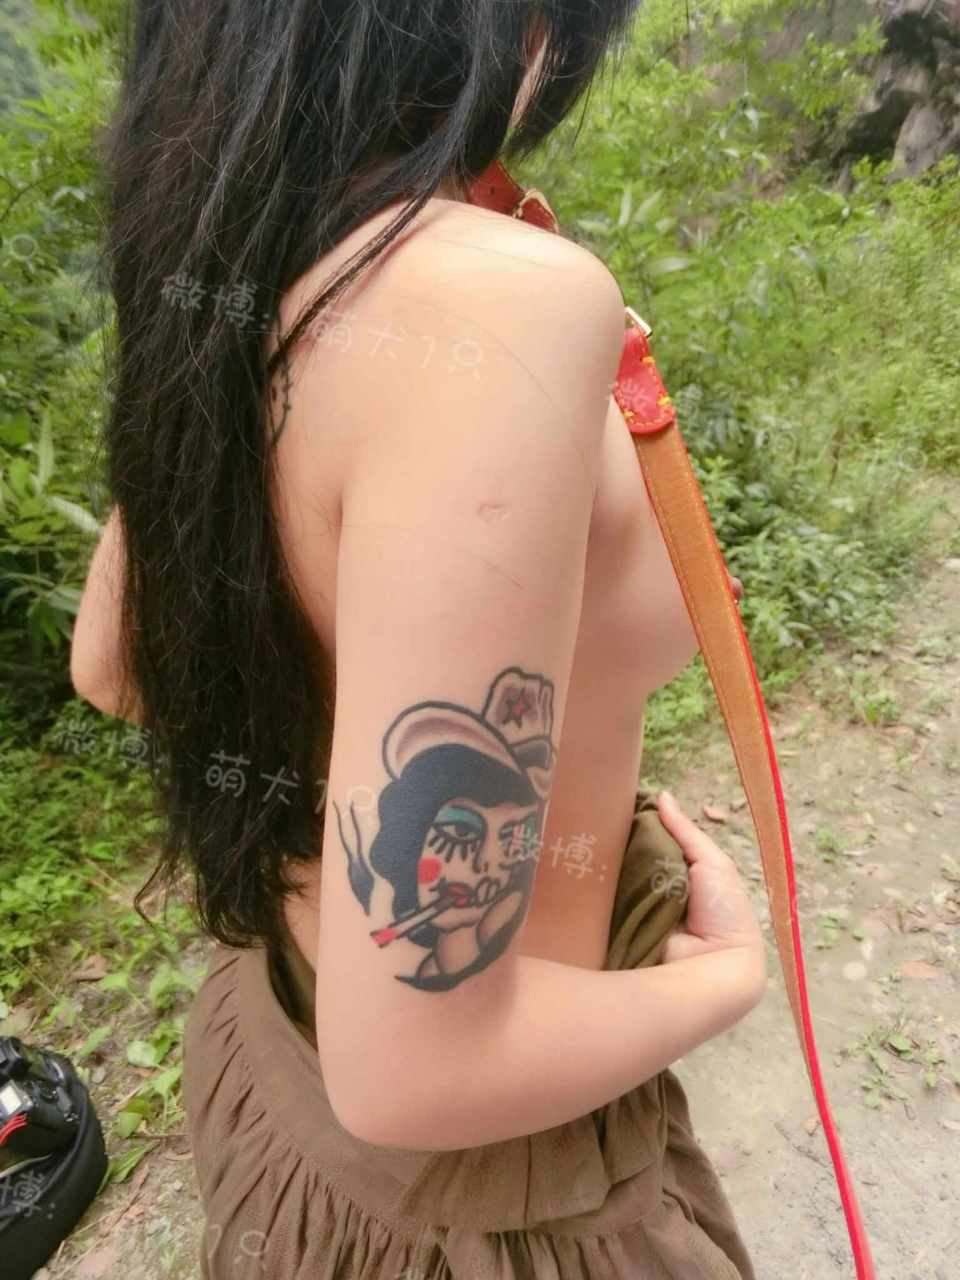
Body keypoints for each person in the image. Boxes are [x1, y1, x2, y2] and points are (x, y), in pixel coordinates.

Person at [70, 2, 765, 1275]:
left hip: (277, 1064)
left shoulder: (254, 264)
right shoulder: (498, 302)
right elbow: (421, 1071)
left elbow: (111, 665)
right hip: (496, 1194)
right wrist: (723, 977)